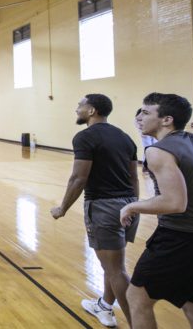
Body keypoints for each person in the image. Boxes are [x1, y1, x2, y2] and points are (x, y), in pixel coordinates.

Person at [121, 93, 193, 329]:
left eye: (145, 112)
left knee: (137, 298)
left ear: (166, 120)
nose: (139, 117)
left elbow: (174, 203)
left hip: (178, 239)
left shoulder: (158, 151)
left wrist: (132, 205)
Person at [50, 94, 139, 328]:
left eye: (80, 105)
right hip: (128, 205)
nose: (76, 108)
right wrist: (133, 206)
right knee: (112, 265)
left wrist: (62, 208)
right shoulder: (125, 137)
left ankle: (137, 324)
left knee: (116, 269)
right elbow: (133, 177)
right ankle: (104, 307)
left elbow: (79, 178)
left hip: (104, 207)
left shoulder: (85, 137)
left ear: (91, 111)